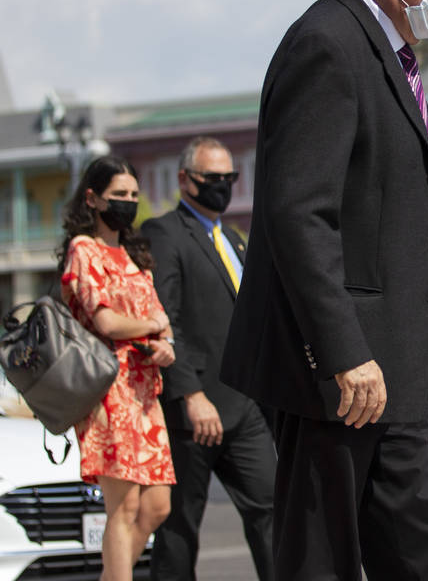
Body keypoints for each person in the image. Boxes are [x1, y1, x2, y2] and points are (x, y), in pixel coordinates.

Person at [220, 0, 428, 581]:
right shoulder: (329, 43)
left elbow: (392, 180)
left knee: (416, 540)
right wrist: (342, 352)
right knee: (322, 553)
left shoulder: (387, 54)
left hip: (388, 360)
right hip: (344, 367)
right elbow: (298, 211)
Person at [142, 136, 275, 581]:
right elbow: (164, 318)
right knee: (180, 528)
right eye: (212, 178)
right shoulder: (163, 234)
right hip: (192, 412)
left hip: (245, 407)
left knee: (271, 511)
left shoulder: (234, 239)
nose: (223, 186)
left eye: (230, 178)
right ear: (184, 180)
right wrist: (192, 394)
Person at [58, 155, 176, 581]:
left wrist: (164, 345)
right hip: (108, 390)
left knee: (156, 507)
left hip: (146, 393)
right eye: (118, 195)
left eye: (132, 195)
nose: (127, 202)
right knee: (122, 508)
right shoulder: (82, 250)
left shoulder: (132, 254)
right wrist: (153, 329)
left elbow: (160, 320)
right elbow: (106, 321)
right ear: (92, 198)